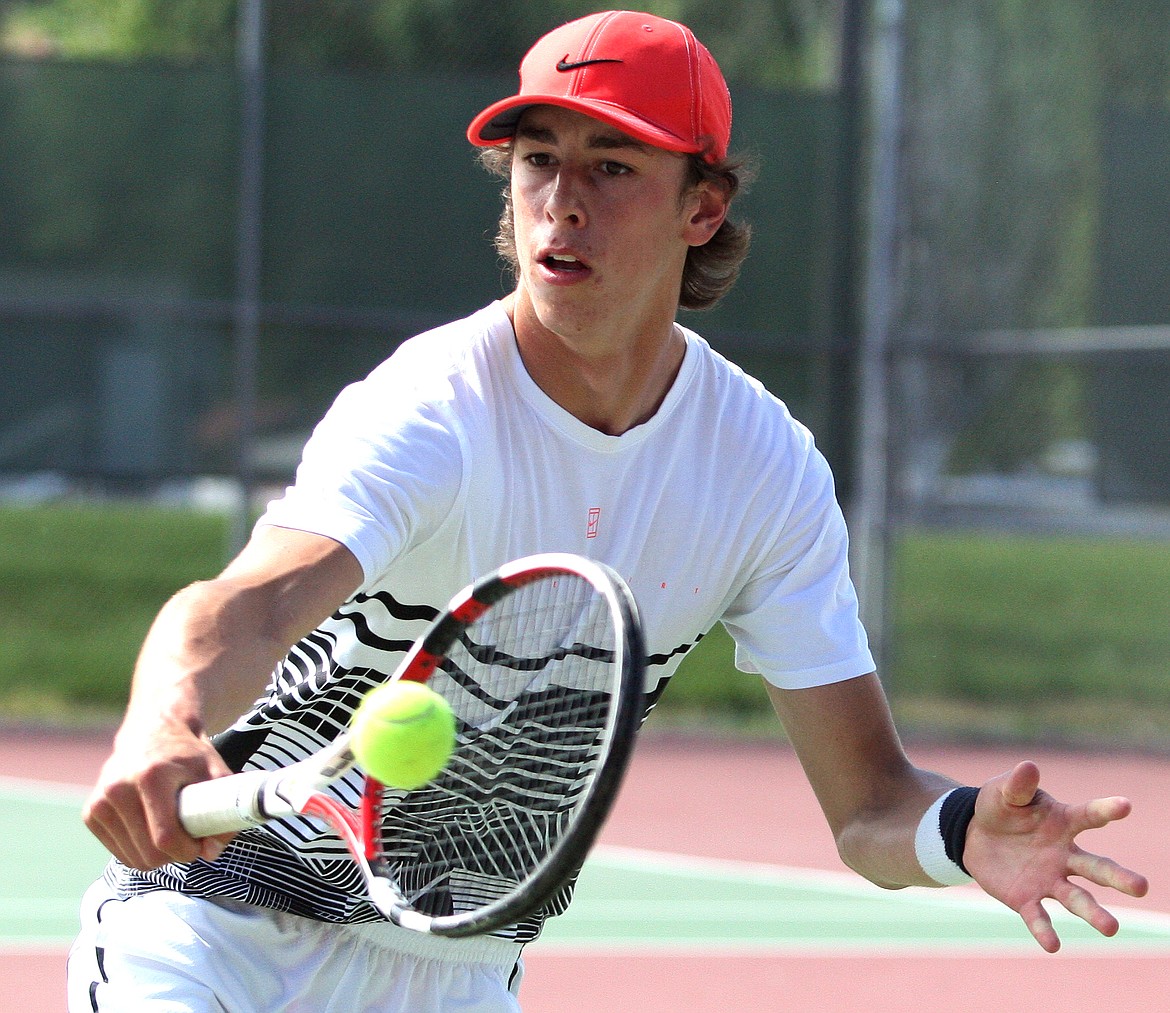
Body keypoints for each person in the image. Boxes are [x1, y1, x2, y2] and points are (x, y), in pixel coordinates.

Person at [71, 10, 1148, 1011]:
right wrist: (164, 720)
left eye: (612, 166)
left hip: (459, 970)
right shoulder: (433, 405)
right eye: (538, 162)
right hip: (213, 930)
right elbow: (249, 606)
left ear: (703, 206)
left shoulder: (760, 469)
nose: (562, 200)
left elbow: (867, 803)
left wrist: (961, 832)